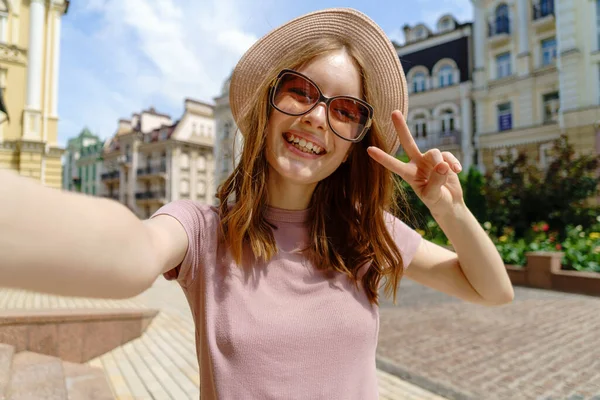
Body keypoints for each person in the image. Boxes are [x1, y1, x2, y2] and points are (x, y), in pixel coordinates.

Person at [0, 8, 514, 400]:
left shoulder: (363, 232)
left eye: (344, 109)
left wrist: (449, 209)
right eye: (300, 91)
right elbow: (128, 252)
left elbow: (493, 291)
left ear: (355, 143)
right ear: (268, 106)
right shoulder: (202, 231)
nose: (317, 117)